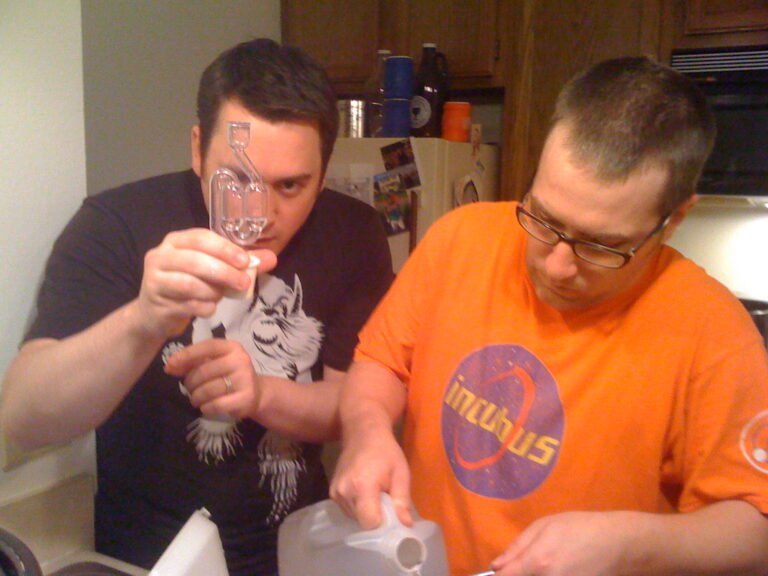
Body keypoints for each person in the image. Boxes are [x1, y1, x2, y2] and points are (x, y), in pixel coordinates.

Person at [330, 56, 768, 575]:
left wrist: (630, 543)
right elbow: (379, 363)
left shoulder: (713, 333)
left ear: (672, 220)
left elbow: (754, 530)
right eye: (544, 219)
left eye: (602, 246)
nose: (558, 266)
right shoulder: (460, 238)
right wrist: (365, 431)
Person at [0, 38, 393, 575]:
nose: (259, 215)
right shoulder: (115, 224)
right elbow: (22, 417)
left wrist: (261, 394)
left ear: (323, 175)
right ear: (195, 149)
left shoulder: (353, 233)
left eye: (290, 186)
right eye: (237, 181)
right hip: (142, 558)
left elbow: (353, 406)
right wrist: (144, 319)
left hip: (298, 551)